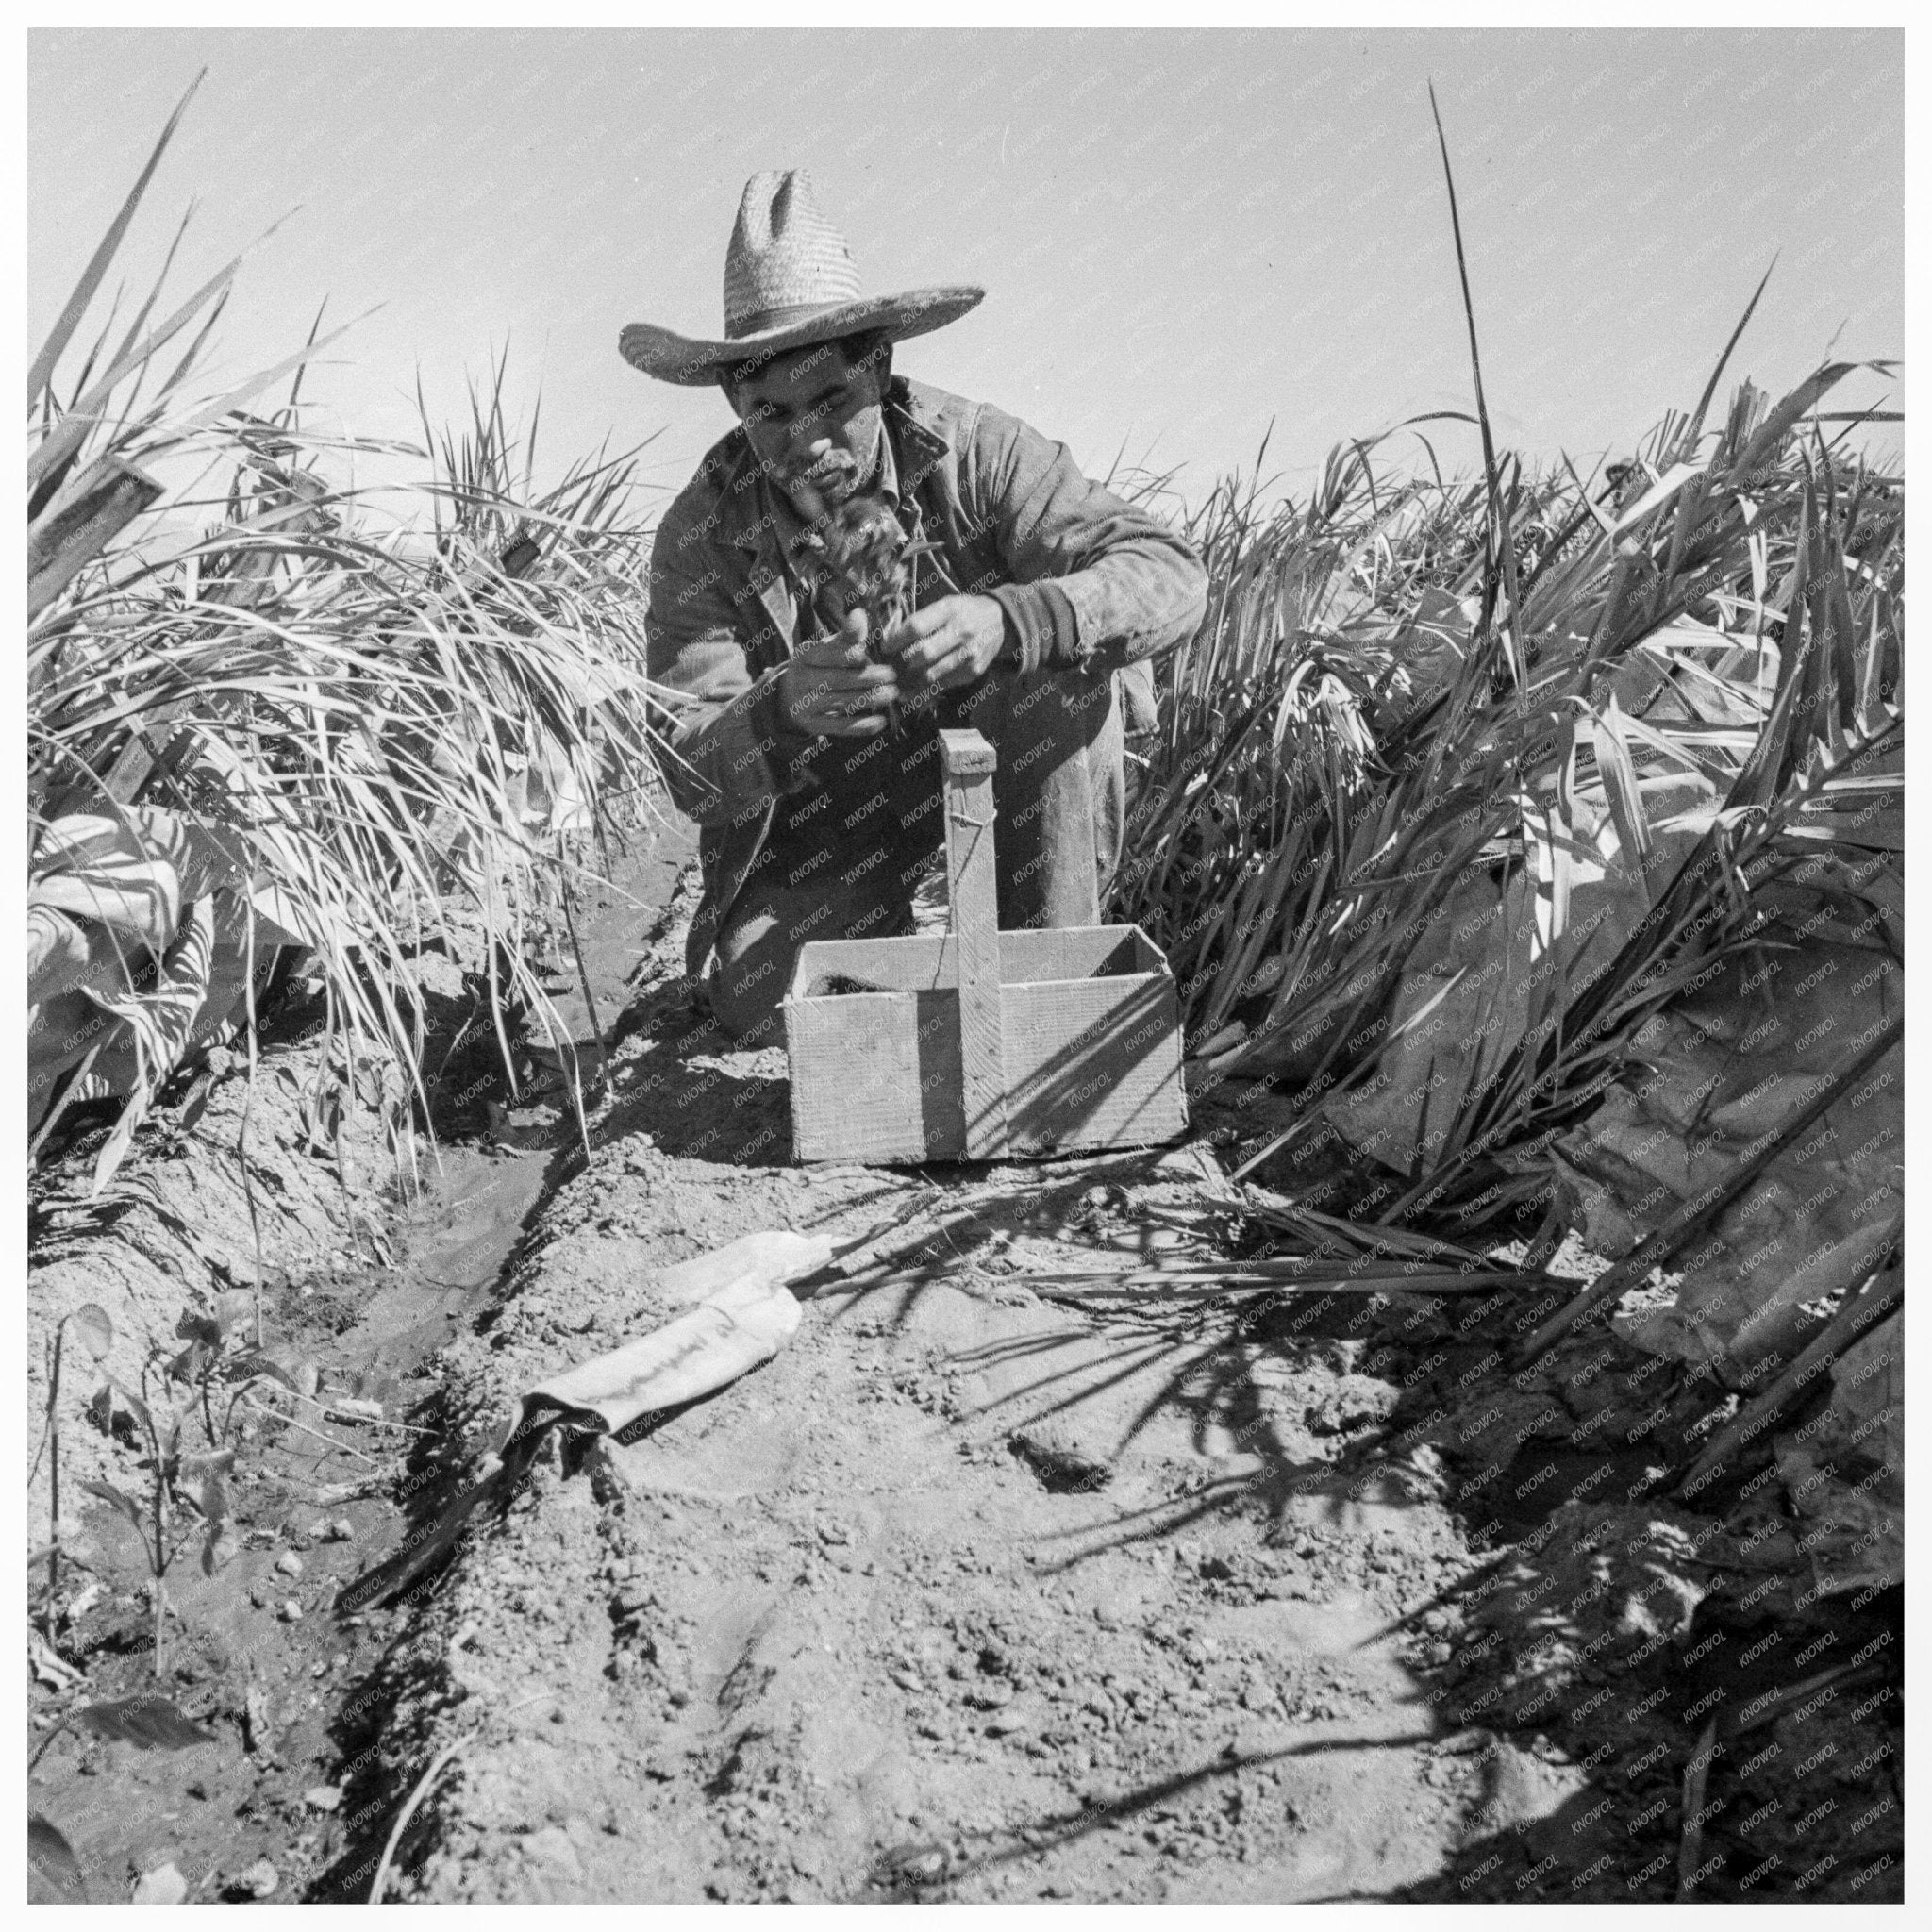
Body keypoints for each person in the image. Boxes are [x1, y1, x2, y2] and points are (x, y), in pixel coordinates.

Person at [624, 170, 1207, 1041]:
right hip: (832, 804)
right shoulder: (703, 531)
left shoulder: (981, 453)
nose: (808, 442)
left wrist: (1012, 622)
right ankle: (890, 946)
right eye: (771, 414)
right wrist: (780, 710)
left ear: (880, 369)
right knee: (773, 1003)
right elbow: (688, 761)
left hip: (1006, 765)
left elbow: (1167, 571)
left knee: (1057, 667)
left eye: (832, 402)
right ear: (734, 404)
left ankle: (1044, 976)